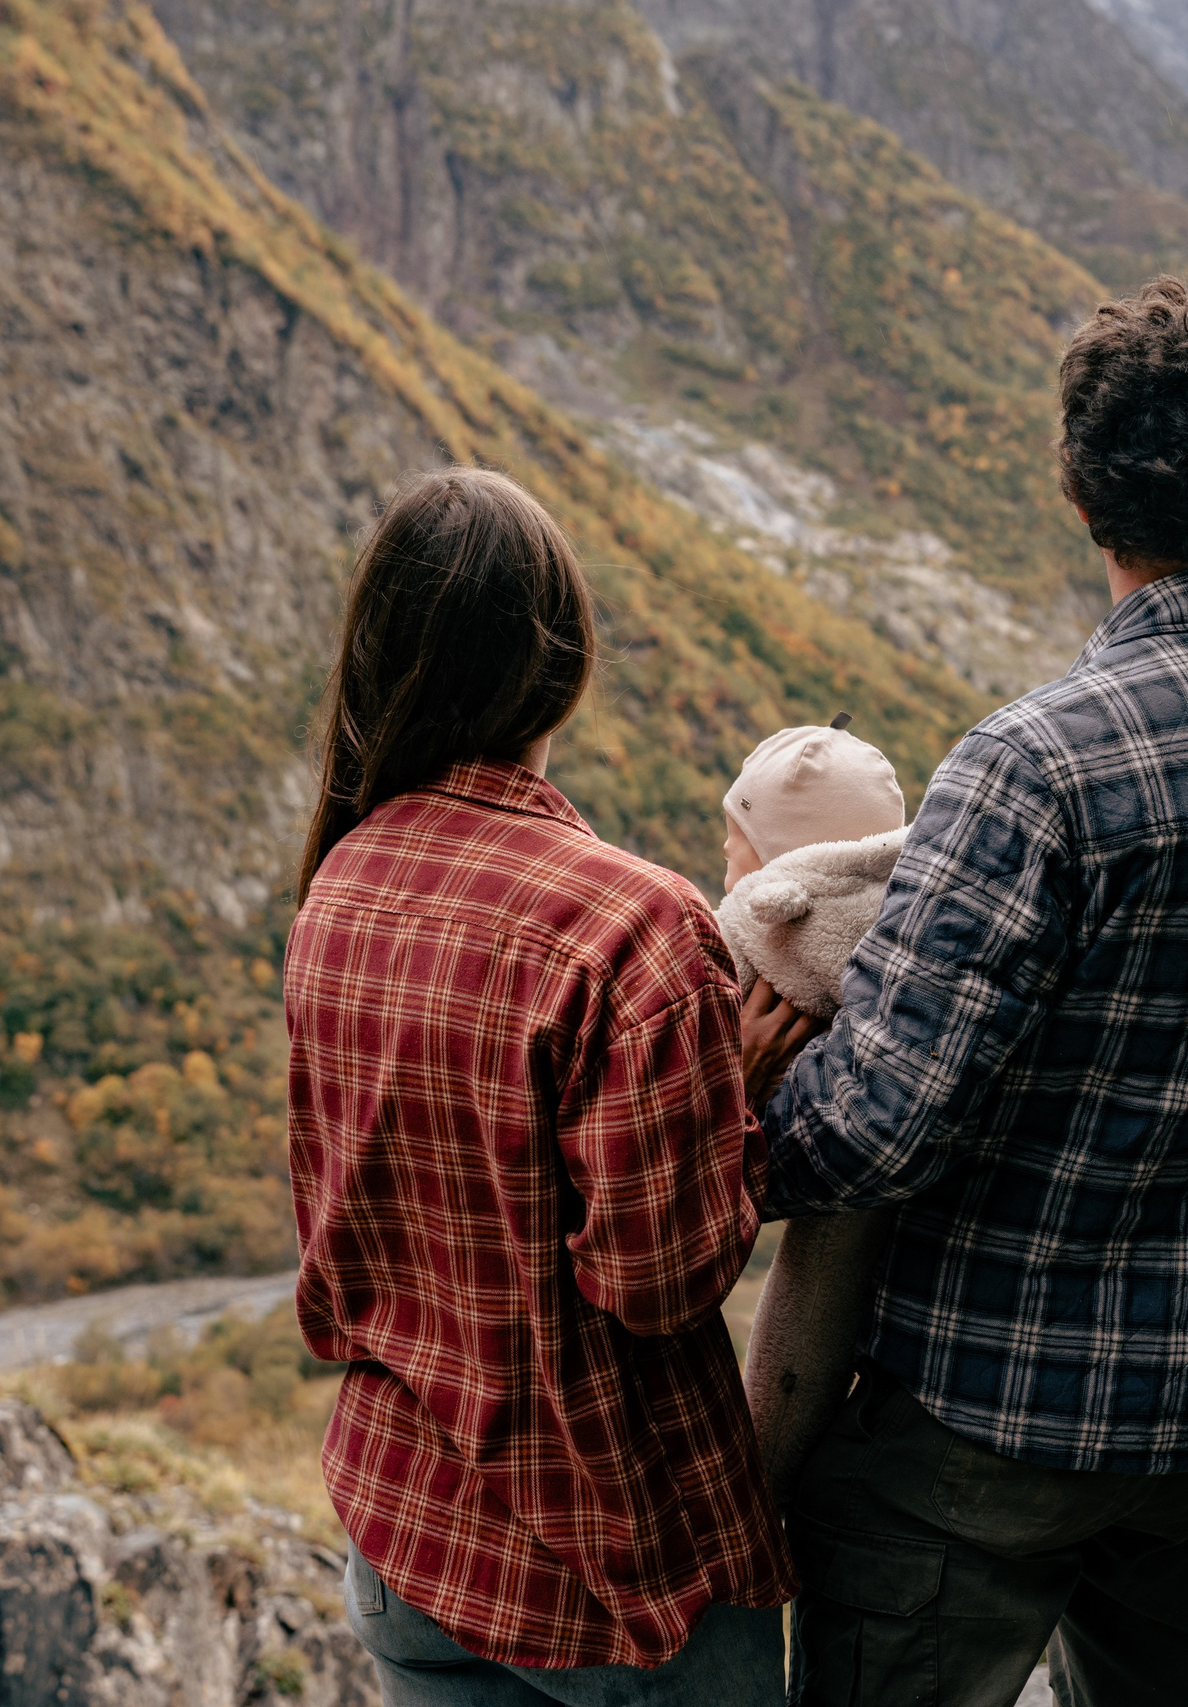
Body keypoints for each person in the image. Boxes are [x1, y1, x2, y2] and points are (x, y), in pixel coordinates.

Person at [754, 278, 1188, 1707]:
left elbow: (872, 1129)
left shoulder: (1033, 767)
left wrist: (726, 1097)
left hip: (981, 1419)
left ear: (1076, 487)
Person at [280, 467, 818, 1707]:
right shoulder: (634, 926)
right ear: (562, 667)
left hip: (404, 1531)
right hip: (606, 1570)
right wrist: (727, 1098)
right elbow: (656, 1281)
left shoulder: (337, 885)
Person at [709, 719, 911, 1499]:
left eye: (736, 839)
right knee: (817, 1305)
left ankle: (749, 1482)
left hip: (758, 1155)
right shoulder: (911, 919)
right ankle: (770, 1469)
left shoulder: (761, 916)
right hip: (873, 1189)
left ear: (781, 855)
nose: (725, 853)